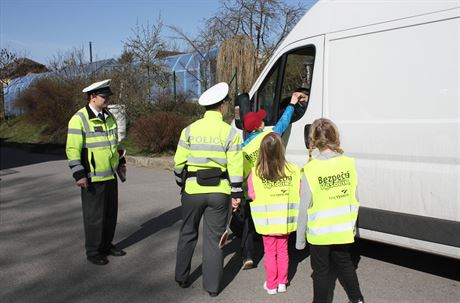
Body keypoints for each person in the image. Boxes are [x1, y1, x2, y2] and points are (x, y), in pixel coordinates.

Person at [173, 82, 243, 297]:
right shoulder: (231, 133)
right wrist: (237, 192)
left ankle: (182, 277)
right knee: (214, 240)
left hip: (193, 190)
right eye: (226, 103)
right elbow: (235, 165)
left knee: (187, 232)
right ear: (221, 106)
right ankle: (212, 287)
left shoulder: (189, 130)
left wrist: (181, 183)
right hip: (219, 191)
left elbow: (178, 163)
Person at [296, 118, 364, 303]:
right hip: (342, 229)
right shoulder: (349, 163)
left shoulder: (310, 169)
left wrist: (300, 239)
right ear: (335, 137)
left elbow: (304, 207)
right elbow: (354, 198)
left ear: (314, 140)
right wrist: (352, 228)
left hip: (320, 232)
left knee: (320, 272)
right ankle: (357, 299)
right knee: (345, 264)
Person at [240, 88, 308, 270]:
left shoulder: (243, 149)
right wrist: (292, 103)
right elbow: (284, 122)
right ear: (259, 126)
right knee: (273, 231)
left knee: (248, 223)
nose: (263, 121)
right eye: (262, 120)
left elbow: (241, 172)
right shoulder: (268, 137)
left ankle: (248, 256)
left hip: (252, 195)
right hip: (271, 192)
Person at [66, 79, 127, 266]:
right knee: (94, 217)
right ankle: (93, 251)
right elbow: (72, 149)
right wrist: (79, 174)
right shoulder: (79, 119)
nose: (107, 99)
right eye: (104, 96)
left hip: (109, 175)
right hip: (91, 178)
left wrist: (121, 161)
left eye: (108, 96)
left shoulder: (108, 116)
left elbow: (113, 145)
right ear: (92, 97)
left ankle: (106, 245)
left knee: (110, 215)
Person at [247, 132, 301, 295]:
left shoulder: (255, 172)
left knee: (269, 253)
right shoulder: (293, 169)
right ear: (281, 149)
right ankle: (282, 282)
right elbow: (299, 190)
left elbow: (251, 194)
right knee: (283, 251)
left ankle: (271, 285)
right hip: (285, 220)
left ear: (262, 151)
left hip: (267, 221)